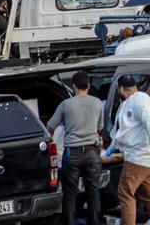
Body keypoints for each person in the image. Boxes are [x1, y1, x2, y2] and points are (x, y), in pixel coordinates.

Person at [105, 75, 150, 225]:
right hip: (145, 157)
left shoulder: (139, 102)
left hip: (138, 156)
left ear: (120, 88)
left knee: (125, 192)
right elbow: (126, 129)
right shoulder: (133, 102)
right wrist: (114, 145)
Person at [46, 71, 104, 225]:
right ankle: (95, 222)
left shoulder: (66, 104)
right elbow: (100, 127)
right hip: (92, 152)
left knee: (70, 193)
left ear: (73, 86)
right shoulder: (97, 103)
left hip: (72, 153)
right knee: (93, 191)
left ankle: (70, 221)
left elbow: (50, 125)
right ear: (89, 86)